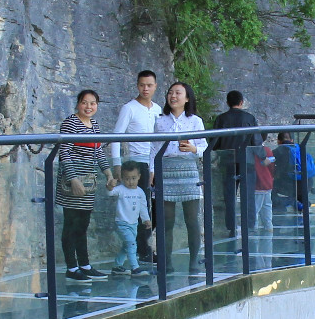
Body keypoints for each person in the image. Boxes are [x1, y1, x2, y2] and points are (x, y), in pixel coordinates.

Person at [153, 82, 205, 276]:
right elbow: (154, 148)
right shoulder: (160, 121)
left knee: (192, 220)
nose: (173, 96)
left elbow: (205, 146)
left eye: (178, 93)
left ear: (187, 98)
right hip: (166, 170)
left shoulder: (195, 121)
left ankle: (194, 261)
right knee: (166, 221)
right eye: (170, 92)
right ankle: (166, 263)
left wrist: (193, 149)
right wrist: (152, 170)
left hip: (188, 170)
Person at [110, 70, 161, 266]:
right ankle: (142, 249)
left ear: (155, 86)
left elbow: (157, 142)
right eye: (142, 85)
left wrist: (155, 167)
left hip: (154, 162)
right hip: (137, 163)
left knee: (156, 207)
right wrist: (117, 164)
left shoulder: (157, 110)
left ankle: (144, 245)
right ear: (137, 86)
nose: (145, 88)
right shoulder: (129, 108)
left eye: (149, 85)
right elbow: (116, 136)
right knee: (141, 207)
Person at [55, 90, 103, 283]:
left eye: (93, 103)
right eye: (85, 103)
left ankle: (85, 265)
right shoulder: (70, 123)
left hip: (88, 183)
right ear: (78, 104)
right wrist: (73, 178)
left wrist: (108, 173)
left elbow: (98, 151)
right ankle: (71, 267)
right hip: (72, 183)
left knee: (83, 224)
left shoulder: (95, 125)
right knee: (71, 224)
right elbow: (64, 152)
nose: (88, 107)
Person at [210, 89, 260, 230]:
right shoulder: (250, 118)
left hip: (228, 161)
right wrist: (261, 156)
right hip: (247, 160)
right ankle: (249, 225)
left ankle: (230, 226)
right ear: (241, 102)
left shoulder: (221, 119)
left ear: (227, 103)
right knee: (248, 195)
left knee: (229, 196)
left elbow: (215, 142)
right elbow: (256, 141)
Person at [109, 165, 152, 277]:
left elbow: (143, 207)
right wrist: (110, 186)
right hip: (122, 223)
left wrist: (146, 219)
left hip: (133, 224)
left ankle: (117, 266)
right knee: (131, 244)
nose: (130, 181)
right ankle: (135, 268)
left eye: (133, 178)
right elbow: (110, 192)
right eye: (127, 179)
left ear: (139, 177)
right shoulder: (121, 189)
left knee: (126, 245)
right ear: (122, 178)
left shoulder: (140, 192)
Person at [271, 132, 315, 218]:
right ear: (292, 140)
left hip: (291, 186)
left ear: (279, 141)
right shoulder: (301, 148)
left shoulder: (278, 151)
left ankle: (290, 205)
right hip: (308, 183)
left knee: (270, 191)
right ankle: (303, 206)